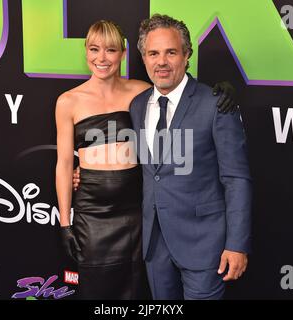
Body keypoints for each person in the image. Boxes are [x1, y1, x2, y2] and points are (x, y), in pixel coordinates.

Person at [57, 19, 238, 299]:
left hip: (135, 214)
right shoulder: (71, 101)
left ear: (124, 54)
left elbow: (183, 97)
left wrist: (222, 91)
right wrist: (66, 221)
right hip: (94, 213)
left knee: (135, 290)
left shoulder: (141, 92)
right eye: (94, 49)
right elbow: (65, 163)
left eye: (111, 50)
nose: (102, 58)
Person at [129, 14, 252, 300]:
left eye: (171, 52)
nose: (162, 62)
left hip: (204, 244)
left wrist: (237, 244)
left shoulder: (216, 104)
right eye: (153, 53)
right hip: (154, 245)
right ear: (144, 58)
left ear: (187, 55)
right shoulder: (137, 106)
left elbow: (236, 179)